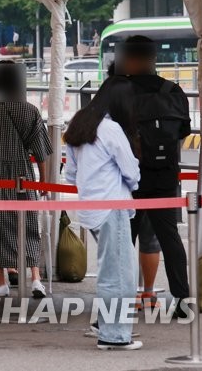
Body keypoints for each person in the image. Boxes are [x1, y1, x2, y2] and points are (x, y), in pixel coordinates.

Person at [64, 77, 143, 351]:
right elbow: (131, 170)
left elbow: (70, 172)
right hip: (113, 207)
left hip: (90, 207)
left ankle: (106, 326)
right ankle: (115, 335)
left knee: (112, 271)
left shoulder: (80, 123)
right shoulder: (110, 129)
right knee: (120, 275)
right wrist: (133, 184)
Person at [114, 35, 191, 313]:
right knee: (169, 238)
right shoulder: (174, 90)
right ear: (153, 58)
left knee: (124, 240)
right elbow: (184, 131)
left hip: (128, 177)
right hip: (165, 176)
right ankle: (183, 301)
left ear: (129, 59)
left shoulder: (119, 90)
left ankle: (118, 304)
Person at [0, 61, 51, 298]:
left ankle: (2, 282)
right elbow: (41, 152)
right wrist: (42, 181)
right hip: (23, 174)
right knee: (28, 224)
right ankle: (35, 279)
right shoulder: (30, 110)